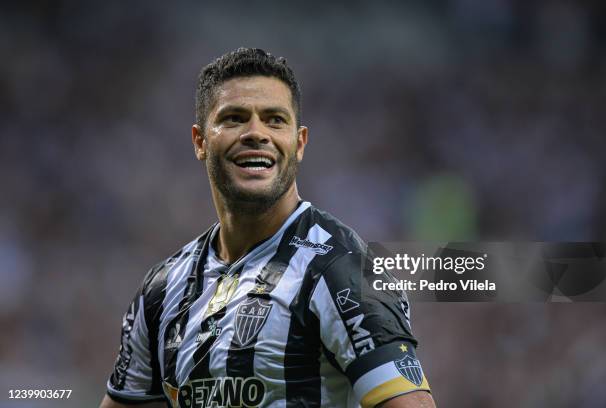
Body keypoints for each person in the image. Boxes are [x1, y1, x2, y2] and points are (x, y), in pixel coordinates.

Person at [100, 48, 435, 408]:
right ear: (200, 141)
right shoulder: (162, 290)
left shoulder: (342, 268)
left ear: (300, 143)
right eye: (234, 118)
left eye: (275, 119)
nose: (256, 133)